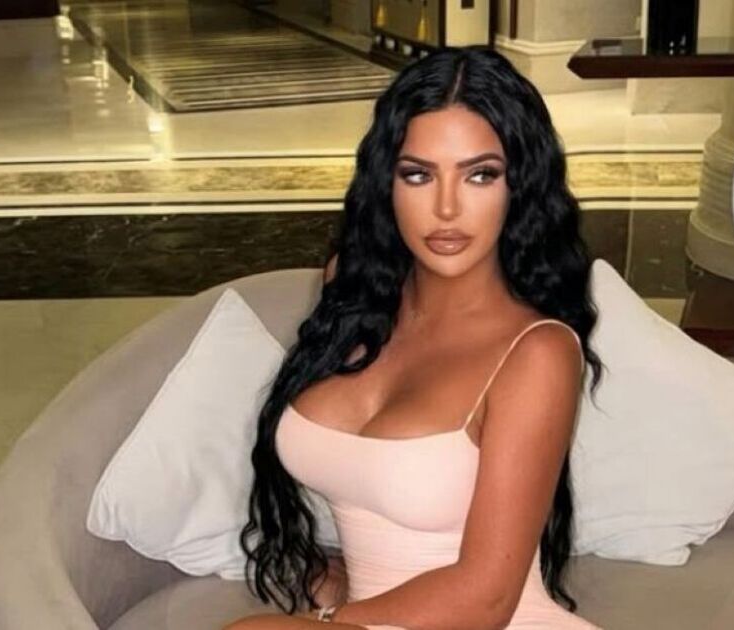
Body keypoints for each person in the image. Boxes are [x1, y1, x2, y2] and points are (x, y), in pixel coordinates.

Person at [225, 45, 605, 630]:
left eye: (480, 174)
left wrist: (329, 621)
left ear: (519, 186)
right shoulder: (354, 291)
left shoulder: (538, 352)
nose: (447, 208)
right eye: (419, 174)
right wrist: (330, 585)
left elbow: (485, 599)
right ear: (387, 182)